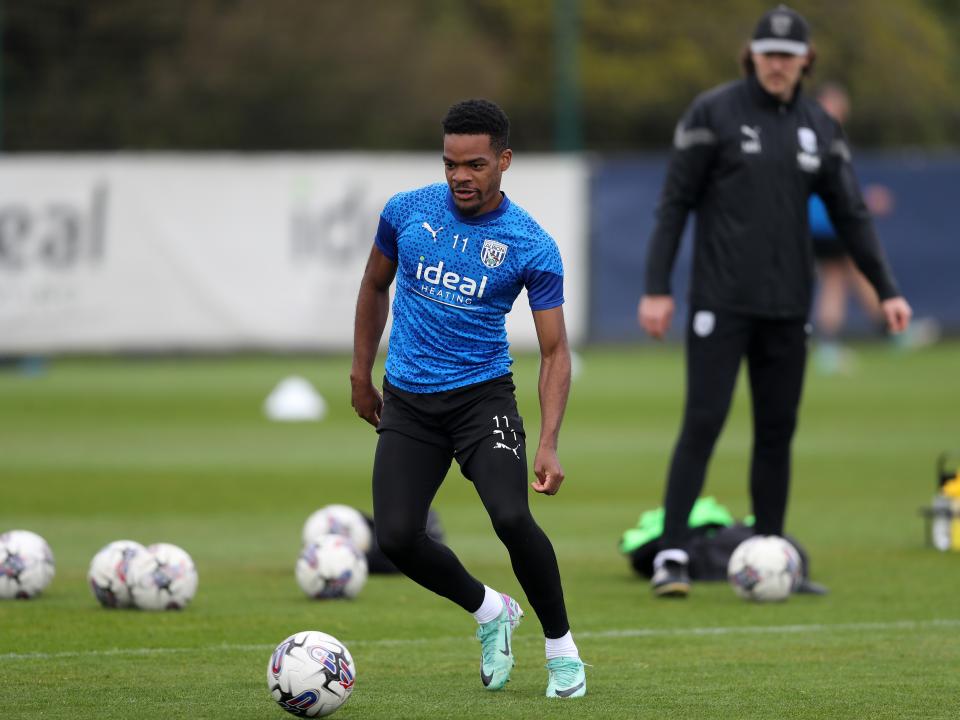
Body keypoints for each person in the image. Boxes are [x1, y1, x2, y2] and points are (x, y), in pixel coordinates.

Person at [637, 5, 912, 598]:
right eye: (769, 55)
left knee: (776, 431)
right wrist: (657, 287)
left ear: (804, 61)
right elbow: (674, 204)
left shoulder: (821, 127)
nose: (779, 65)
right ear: (752, 56)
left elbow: (852, 215)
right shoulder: (713, 113)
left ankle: (772, 551)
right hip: (721, 300)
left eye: (789, 56)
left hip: (789, 306)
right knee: (703, 423)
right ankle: (673, 555)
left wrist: (886, 290)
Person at [351, 98, 586, 697]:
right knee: (398, 538)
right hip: (407, 400)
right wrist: (360, 374)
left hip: (482, 400)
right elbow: (374, 283)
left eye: (476, 164)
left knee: (512, 517)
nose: (460, 176)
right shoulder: (406, 212)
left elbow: (555, 350)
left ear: (504, 161)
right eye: (451, 163)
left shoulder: (531, 244)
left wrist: (551, 442)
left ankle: (562, 651)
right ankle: (489, 611)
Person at [808, 82, 892, 374]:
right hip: (827, 225)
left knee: (844, 278)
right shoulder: (816, 137)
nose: (840, 111)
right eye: (834, 105)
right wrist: (865, 202)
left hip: (828, 222)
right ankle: (889, 328)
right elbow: (827, 191)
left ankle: (886, 327)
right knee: (846, 276)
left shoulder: (827, 137)